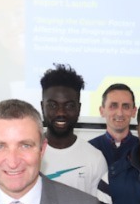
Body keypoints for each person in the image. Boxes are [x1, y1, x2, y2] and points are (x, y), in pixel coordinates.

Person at [39, 63, 108, 196]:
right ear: (42, 107)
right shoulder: (26, 153)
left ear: (79, 108)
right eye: (53, 105)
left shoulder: (95, 158)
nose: (61, 112)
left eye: (69, 106)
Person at [89, 83, 140, 165]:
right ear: (102, 111)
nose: (120, 113)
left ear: (134, 112)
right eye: (113, 106)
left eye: (126, 106)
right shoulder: (89, 148)